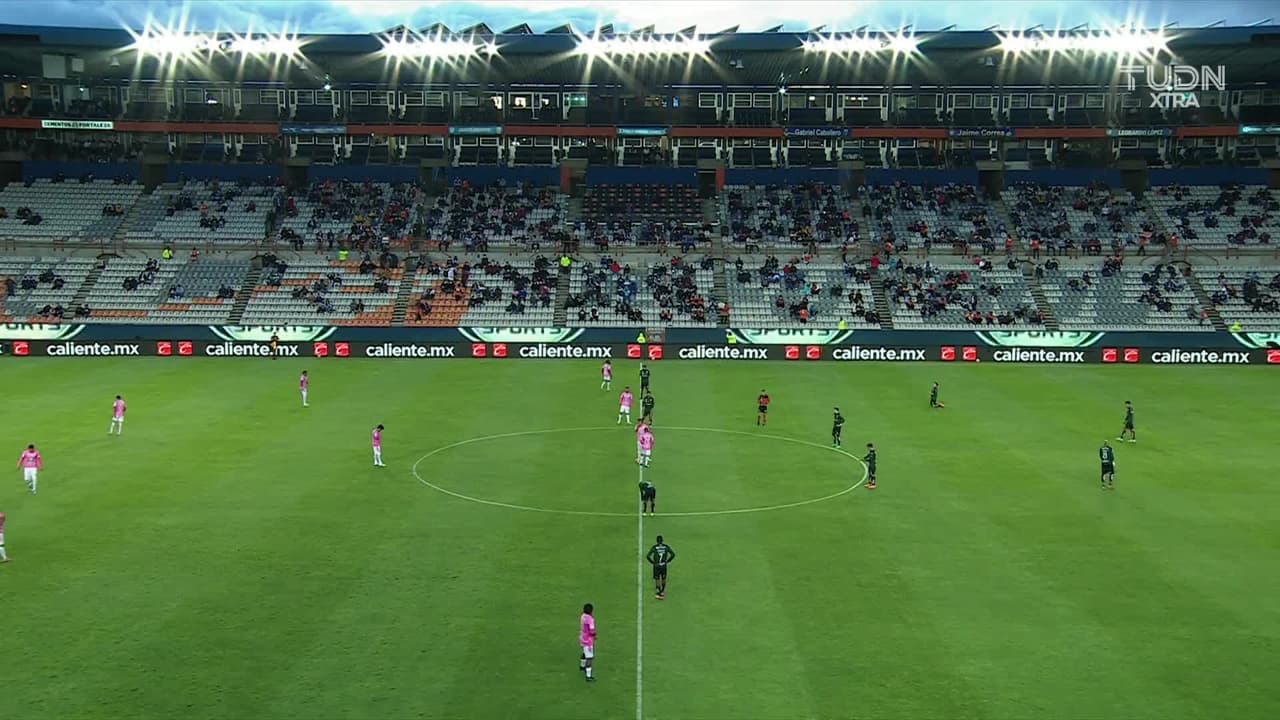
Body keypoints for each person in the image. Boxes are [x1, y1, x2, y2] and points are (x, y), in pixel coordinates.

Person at [646, 534, 676, 600]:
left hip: (656, 566)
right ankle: (662, 591)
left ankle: (658, 592)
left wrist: (652, 562)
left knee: (657, 579)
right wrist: (668, 561)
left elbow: (648, 556)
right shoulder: (666, 547)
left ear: (657, 541)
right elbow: (673, 554)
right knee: (663, 578)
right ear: (662, 541)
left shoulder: (654, 547)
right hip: (663, 565)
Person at [579, 603, 596, 681]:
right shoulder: (590, 619)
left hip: (582, 638)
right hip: (588, 641)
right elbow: (592, 631)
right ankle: (588, 676)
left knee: (584, 652)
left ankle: (582, 666)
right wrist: (594, 635)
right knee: (589, 658)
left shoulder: (582, 616)